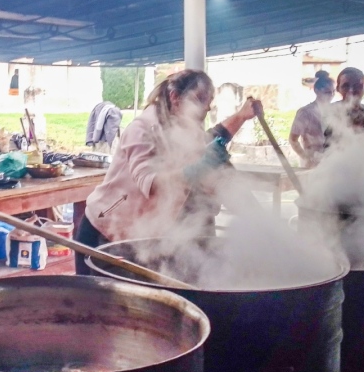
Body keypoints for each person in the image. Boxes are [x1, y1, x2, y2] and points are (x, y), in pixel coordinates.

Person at [75, 69, 259, 274]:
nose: (206, 107)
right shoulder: (142, 128)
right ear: (175, 97)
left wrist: (242, 116)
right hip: (104, 230)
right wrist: (197, 169)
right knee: (101, 301)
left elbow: (213, 145)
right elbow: (150, 184)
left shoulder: (187, 129)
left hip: (140, 235)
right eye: (200, 99)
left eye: (208, 101)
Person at [289, 70, 335, 168]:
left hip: (332, 163)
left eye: (333, 92)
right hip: (313, 163)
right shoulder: (305, 112)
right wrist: (306, 157)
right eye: (327, 92)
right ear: (316, 90)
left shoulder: (336, 110)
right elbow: (293, 139)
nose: (331, 95)